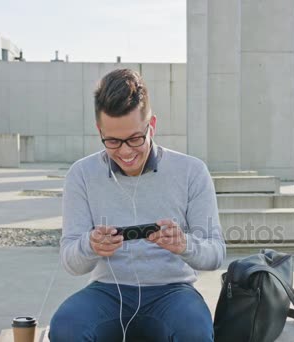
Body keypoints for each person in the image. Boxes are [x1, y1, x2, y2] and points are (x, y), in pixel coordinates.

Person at [49, 68, 226, 342]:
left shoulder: (192, 171)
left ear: (151, 125)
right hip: (107, 291)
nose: (125, 152)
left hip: (173, 291)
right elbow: (71, 262)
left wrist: (184, 245)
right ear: (100, 131)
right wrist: (90, 246)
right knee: (65, 327)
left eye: (135, 138)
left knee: (195, 332)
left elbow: (216, 254)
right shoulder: (81, 175)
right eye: (112, 141)